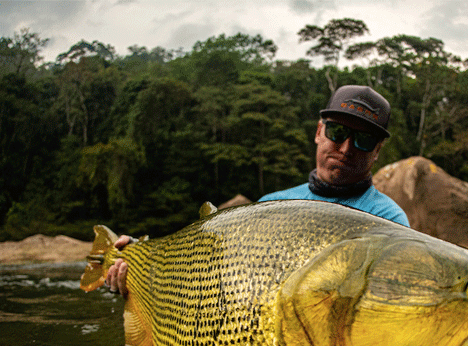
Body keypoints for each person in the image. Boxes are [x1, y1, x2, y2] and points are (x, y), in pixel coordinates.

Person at [105, 85, 409, 295]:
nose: (345, 148)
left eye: (364, 141)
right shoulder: (270, 205)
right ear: (319, 132)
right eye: (337, 132)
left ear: (378, 151)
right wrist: (138, 263)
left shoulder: (388, 221)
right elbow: (206, 272)